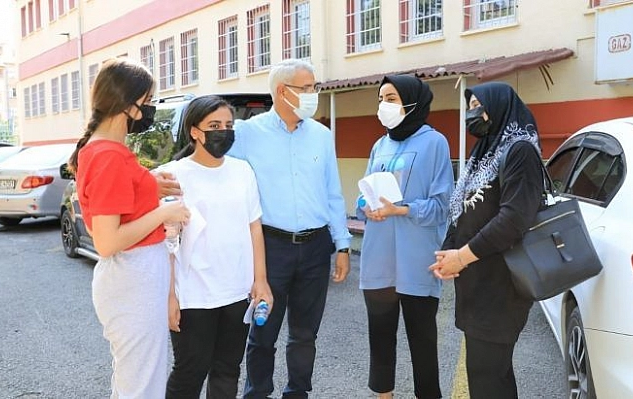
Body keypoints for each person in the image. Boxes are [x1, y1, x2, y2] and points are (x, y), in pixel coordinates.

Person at [229, 58, 352, 399]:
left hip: (316, 248)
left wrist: (342, 245)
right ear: (282, 92)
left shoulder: (322, 135)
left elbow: (332, 192)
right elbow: (216, 170)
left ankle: (298, 393)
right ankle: (258, 394)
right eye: (308, 88)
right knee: (262, 332)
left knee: (304, 335)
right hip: (271, 248)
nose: (314, 94)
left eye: (315, 87)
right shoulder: (248, 134)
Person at [68, 58, 190, 398]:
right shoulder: (109, 155)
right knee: (142, 384)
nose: (150, 110)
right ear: (128, 104)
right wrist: (165, 214)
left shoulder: (104, 149)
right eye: (148, 102)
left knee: (137, 378)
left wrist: (148, 184)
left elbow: (113, 203)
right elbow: (107, 241)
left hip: (133, 277)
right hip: (132, 277)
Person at [429, 82, 545, 398]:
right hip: (477, 282)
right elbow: (464, 208)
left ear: (499, 106)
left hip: (502, 285)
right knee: (493, 376)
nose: (472, 112)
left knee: (486, 376)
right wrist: (449, 252)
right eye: (470, 106)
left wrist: (461, 256)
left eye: (479, 104)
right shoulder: (486, 150)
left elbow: (513, 220)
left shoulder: (520, 150)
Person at [156, 95, 273, 399]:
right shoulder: (173, 174)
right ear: (195, 131)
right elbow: (166, 241)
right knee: (189, 372)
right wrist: (169, 296)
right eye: (214, 125)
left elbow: (254, 227)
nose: (224, 131)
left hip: (236, 291)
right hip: (192, 294)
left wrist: (260, 281)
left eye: (228, 125)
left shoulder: (242, 171)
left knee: (227, 371)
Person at [355, 75, 453, 399]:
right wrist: (365, 207)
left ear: (412, 102)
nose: (384, 105)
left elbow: (442, 206)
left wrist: (403, 209)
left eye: (392, 97)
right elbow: (364, 194)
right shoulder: (378, 145)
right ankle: (384, 395)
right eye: (381, 98)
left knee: (422, 342)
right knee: (380, 338)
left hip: (416, 260)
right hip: (379, 258)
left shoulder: (434, 142)